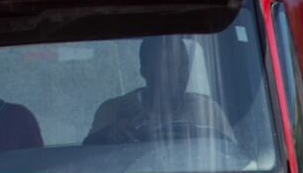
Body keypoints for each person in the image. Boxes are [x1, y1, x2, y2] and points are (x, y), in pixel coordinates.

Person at [86, 36, 235, 145]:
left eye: (183, 65)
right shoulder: (115, 112)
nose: (179, 75)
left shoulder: (207, 111)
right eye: (168, 65)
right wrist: (109, 135)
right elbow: (87, 161)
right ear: (145, 71)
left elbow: (233, 157)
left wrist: (201, 135)